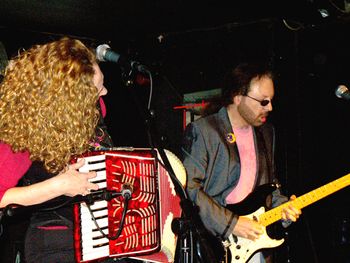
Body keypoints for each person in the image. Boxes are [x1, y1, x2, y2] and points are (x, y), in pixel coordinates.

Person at [0, 37, 113, 262]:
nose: (105, 93)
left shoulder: (94, 109)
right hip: (55, 241)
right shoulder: (22, 130)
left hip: (98, 233)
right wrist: (60, 185)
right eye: (97, 89)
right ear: (69, 98)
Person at [181, 62, 302, 263]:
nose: (270, 107)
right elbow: (189, 188)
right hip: (215, 244)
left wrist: (283, 209)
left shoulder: (267, 133)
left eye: (271, 100)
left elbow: (268, 186)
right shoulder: (204, 131)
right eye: (263, 101)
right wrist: (231, 224)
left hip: (255, 245)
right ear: (237, 97)